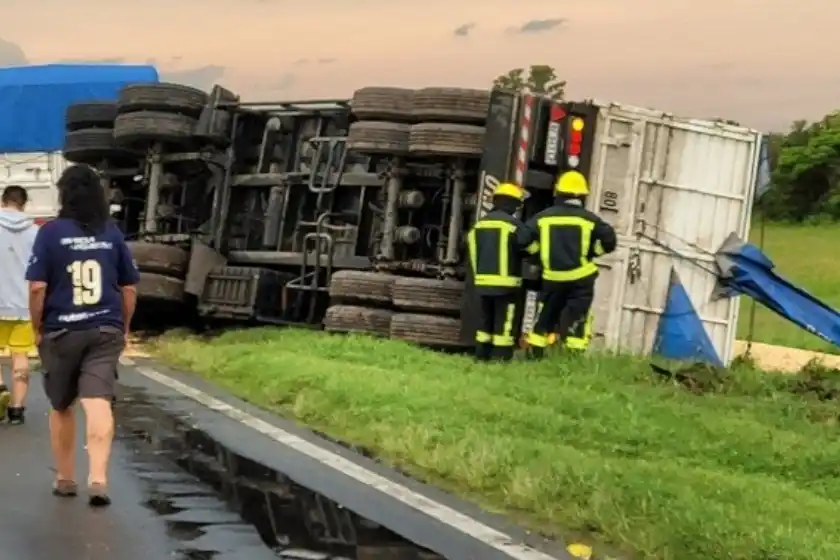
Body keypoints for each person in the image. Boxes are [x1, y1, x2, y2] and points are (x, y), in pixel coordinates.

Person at [26, 164, 139, 506]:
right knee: (98, 401)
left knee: (62, 406)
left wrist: (37, 328)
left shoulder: (50, 233)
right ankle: (99, 478)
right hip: (104, 329)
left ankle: (65, 478)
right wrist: (125, 324)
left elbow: (37, 287)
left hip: (61, 331)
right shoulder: (111, 233)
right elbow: (129, 287)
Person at [521, 170, 617, 358]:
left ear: (558, 193)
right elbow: (610, 240)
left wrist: (538, 255)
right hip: (580, 279)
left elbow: (522, 239)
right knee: (577, 317)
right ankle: (572, 357)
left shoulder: (543, 218)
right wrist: (593, 252)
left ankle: (535, 353)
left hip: (552, 278)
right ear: (581, 196)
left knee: (546, 316)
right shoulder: (589, 219)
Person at [466, 182, 538, 361]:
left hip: (482, 283)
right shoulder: (514, 226)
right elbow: (532, 249)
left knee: (485, 322)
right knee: (504, 323)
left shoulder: (479, 225)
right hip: (507, 285)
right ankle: (500, 357)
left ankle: (481, 356)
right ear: (512, 203)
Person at [0, 185, 39, 424]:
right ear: (24, 204)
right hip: (24, 306)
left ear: (3, 202)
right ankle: (17, 409)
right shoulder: (36, 232)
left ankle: (0, 390)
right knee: (20, 355)